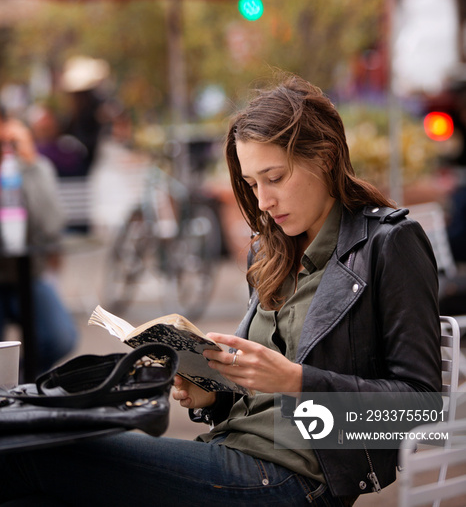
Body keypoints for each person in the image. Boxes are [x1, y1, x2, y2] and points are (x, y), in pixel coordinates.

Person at [0, 75, 441, 506]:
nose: (263, 201)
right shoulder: (270, 253)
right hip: (232, 454)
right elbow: (255, 398)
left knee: (34, 452)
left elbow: (421, 413)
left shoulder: (388, 244)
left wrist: (298, 382)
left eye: (275, 177)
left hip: (296, 480)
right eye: (252, 184)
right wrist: (212, 393)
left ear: (324, 158)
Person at [0, 112, 78, 374]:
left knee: (60, 338)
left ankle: (18, 382)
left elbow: (52, 226)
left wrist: (30, 163)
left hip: (27, 275)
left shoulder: (30, 168)